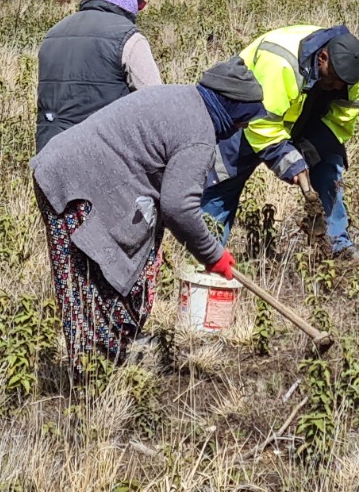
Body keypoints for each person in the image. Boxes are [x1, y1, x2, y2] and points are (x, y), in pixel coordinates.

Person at [31, 58, 268, 380]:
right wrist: (214, 255)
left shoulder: (182, 97)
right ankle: (91, 384)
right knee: (88, 286)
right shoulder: (198, 132)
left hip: (76, 174)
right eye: (245, 119)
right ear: (233, 109)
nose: (244, 126)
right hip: (73, 184)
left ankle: (110, 365)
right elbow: (178, 207)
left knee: (120, 280)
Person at [200, 24, 359, 263]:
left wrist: (308, 153)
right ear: (322, 58)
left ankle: (337, 247)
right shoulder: (280, 62)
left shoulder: (355, 68)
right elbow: (262, 125)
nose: (336, 88)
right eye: (332, 82)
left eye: (341, 85)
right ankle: (206, 256)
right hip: (249, 113)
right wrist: (289, 162)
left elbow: (341, 120)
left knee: (329, 169)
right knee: (224, 178)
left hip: (305, 112)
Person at [35, 0, 161, 152]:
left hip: (49, 152)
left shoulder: (53, 34)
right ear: (128, 2)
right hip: (103, 156)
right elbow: (156, 103)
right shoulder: (129, 37)